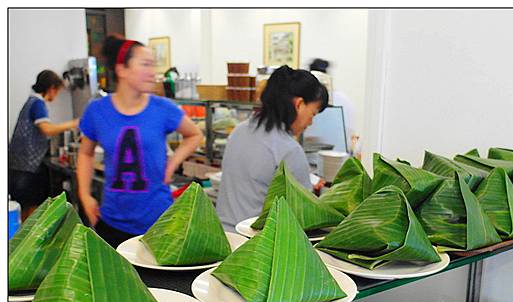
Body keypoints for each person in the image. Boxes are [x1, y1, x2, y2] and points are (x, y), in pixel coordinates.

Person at [77, 36, 203, 248]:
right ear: (122, 70)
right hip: (111, 222)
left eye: (153, 65)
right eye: (145, 64)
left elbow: (194, 135)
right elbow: (85, 153)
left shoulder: (163, 108)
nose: (153, 72)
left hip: (158, 223)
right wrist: (84, 194)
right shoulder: (97, 111)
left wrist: (172, 165)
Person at [216, 65, 328, 232]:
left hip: (224, 236)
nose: (310, 123)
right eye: (312, 114)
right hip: (255, 244)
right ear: (298, 104)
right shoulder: (288, 149)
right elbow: (306, 214)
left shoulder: (239, 131)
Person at [9, 70, 79, 220]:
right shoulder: (38, 103)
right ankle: (29, 242)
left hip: (17, 165)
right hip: (27, 168)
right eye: (57, 92)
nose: (56, 96)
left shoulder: (30, 102)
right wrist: (74, 123)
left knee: (22, 211)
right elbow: (47, 129)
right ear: (51, 88)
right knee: (31, 212)